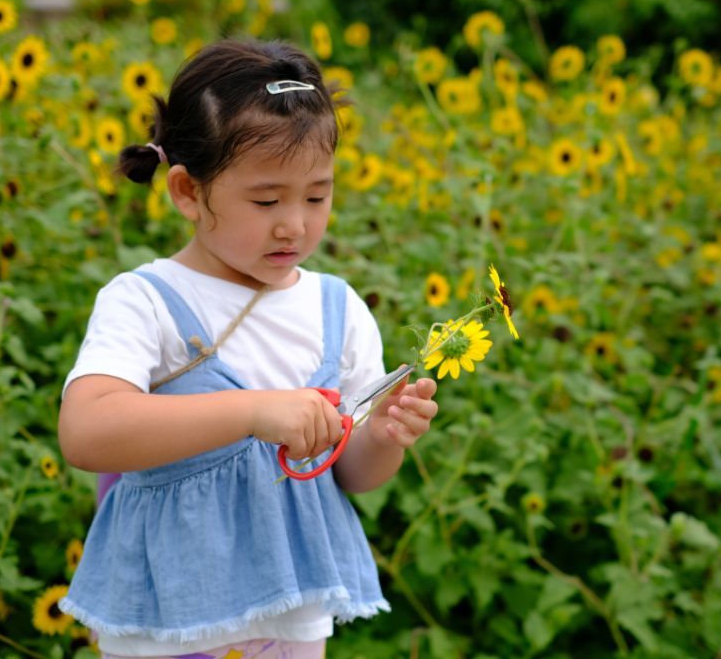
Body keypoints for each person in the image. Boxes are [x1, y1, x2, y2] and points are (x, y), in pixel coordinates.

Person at [56, 38, 439, 659]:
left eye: (317, 196)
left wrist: (383, 438)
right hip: (166, 620)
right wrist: (254, 412)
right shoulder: (146, 301)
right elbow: (86, 432)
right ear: (187, 192)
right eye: (267, 201)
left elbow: (350, 475)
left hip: (291, 617)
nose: (295, 223)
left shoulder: (336, 311)